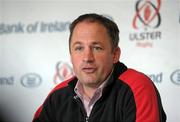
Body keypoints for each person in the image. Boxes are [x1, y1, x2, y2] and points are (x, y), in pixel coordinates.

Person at [33, 13, 166, 122]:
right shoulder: (58, 95)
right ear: (71, 55)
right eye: (79, 48)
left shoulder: (137, 87)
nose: (87, 58)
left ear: (115, 54)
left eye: (97, 48)